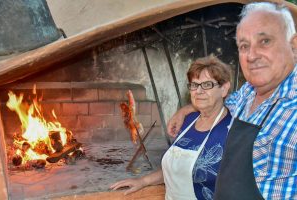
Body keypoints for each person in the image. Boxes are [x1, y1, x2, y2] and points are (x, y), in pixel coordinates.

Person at [167, 2, 297, 199]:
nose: (252, 56)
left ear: (294, 46)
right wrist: (184, 110)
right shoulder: (247, 94)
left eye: (265, 41)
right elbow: (217, 100)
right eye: (244, 46)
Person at [110, 55, 232, 200]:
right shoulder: (187, 121)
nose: (199, 91)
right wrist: (142, 181)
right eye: (194, 85)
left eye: (207, 85)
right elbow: (176, 169)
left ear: (224, 89)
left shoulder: (233, 131)